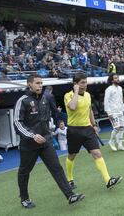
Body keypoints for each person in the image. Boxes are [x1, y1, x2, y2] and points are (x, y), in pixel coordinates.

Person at [13, 74, 84, 209]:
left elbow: (53, 115)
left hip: (46, 141)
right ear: (30, 84)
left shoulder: (45, 99)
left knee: (56, 167)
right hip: (29, 144)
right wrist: (32, 135)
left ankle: (70, 195)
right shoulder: (22, 101)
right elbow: (17, 123)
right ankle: (24, 198)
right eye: (37, 83)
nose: (40, 85)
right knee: (24, 171)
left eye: (41, 83)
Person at [64, 72, 122, 191]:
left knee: (97, 154)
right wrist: (75, 92)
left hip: (87, 129)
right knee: (72, 156)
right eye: (82, 83)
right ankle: (69, 179)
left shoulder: (88, 95)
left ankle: (108, 180)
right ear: (75, 84)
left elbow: (89, 110)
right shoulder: (68, 95)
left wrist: (94, 124)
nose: (85, 85)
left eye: (86, 82)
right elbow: (73, 107)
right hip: (74, 130)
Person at [104, 73, 124, 151]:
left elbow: (120, 100)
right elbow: (106, 101)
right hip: (113, 112)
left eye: (118, 77)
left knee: (122, 128)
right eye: (116, 78)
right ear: (112, 80)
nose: (117, 79)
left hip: (120, 111)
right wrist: (108, 112)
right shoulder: (109, 89)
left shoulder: (120, 88)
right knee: (116, 127)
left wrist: (123, 110)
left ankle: (120, 144)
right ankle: (111, 141)